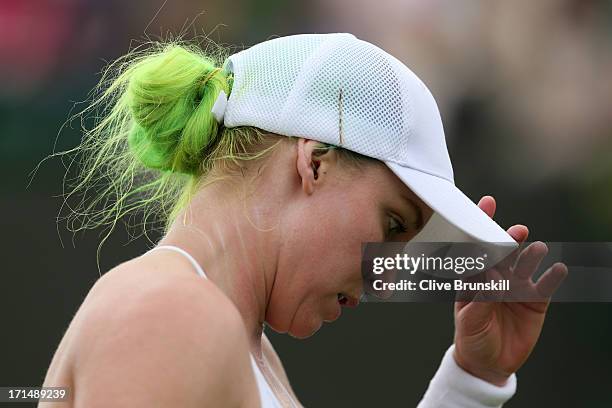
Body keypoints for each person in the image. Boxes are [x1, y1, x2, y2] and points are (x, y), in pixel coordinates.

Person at [40, 33, 568, 407]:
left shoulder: (236, 341)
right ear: (314, 161)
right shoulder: (171, 314)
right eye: (392, 225)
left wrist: (475, 381)